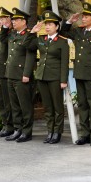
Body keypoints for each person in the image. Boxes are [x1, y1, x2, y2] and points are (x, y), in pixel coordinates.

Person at [63, 3, 91, 146]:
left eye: (86, 16)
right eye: (83, 16)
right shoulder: (79, 31)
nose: (83, 19)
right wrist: (70, 21)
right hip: (80, 73)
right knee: (82, 104)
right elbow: (64, 33)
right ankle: (85, 133)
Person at [32, 10, 70, 144]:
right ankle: (50, 131)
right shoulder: (41, 39)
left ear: (57, 26)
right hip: (42, 76)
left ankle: (57, 132)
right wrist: (33, 32)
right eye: (46, 24)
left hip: (55, 77)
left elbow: (65, 62)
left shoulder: (62, 42)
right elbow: (27, 46)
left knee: (57, 106)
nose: (47, 26)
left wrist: (63, 80)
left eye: (50, 24)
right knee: (47, 107)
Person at [5, 7, 37, 142]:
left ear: (24, 21)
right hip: (11, 74)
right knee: (15, 105)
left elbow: (30, 56)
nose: (14, 22)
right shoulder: (13, 34)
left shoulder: (29, 36)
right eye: (13, 20)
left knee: (25, 106)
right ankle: (18, 129)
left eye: (16, 20)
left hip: (21, 75)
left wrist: (26, 74)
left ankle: (26, 131)